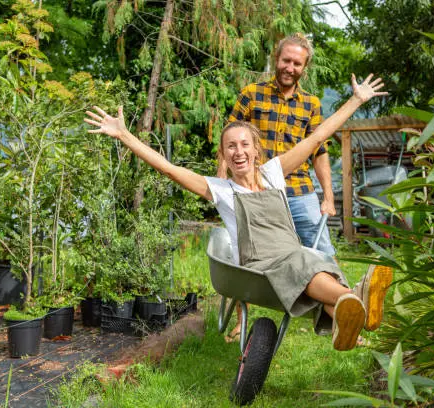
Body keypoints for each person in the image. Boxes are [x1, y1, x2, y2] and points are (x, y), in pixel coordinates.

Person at [84, 74, 391, 352]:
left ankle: (346, 317)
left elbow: (316, 137)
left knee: (312, 259)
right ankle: (355, 299)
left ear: (256, 150)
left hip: (291, 257)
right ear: (224, 156)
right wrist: (124, 135)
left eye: (245, 144)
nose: (239, 151)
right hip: (258, 266)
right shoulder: (219, 190)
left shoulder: (274, 173)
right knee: (305, 260)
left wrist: (356, 99)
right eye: (230, 147)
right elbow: (168, 167)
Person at [227, 33, 337, 255]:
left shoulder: (311, 104)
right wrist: (224, 183)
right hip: (259, 191)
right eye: (286, 60)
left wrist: (328, 196)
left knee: (322, 251)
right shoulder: (252, 94)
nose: (290, 68)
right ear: (276, 58)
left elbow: (319, 152)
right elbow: (228, 141)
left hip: (300, 191)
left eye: (297, 64)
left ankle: (341, 290)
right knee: (262, 253)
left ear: (304, 69)